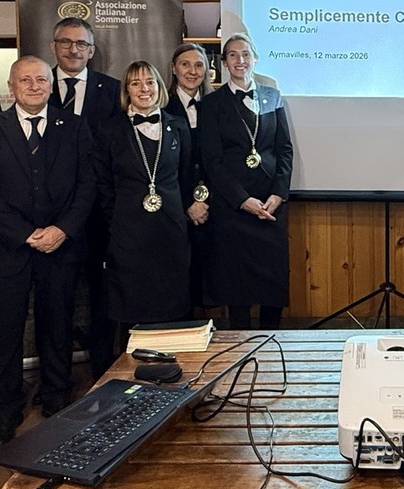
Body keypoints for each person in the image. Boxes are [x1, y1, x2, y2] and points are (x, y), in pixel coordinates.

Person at [0, 56, 95, 447]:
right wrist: (24, 234)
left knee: (57, 327)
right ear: (11, 87)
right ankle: (6, 409)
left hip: (60, 247)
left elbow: (87, 185)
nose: (34, 85)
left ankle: (56, 398)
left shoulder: (75, 127)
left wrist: (62, 230)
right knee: (5, 335)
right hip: (3, 248)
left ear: (51, 86)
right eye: (25, 80)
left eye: (41, 79)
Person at [93, 61, 192, 343]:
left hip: (170, 229)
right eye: (135, 83)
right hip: (128, 233)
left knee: (172, 300)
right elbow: (103, 182)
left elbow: (185, 176)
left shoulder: (177, 126)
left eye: (149, 82)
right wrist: (119, 219)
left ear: (159, 87)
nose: (144, 89)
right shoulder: (110, 129)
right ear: (127, 91)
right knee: (132, 300)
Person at [202, 33, 293, 329]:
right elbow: (212, 160)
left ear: (255, 59)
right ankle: (240, 342)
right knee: (236, 283)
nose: (240, 60)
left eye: (245, 54)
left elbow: (284, 150)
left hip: (271, 204)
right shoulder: (212, 104)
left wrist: (278, 194)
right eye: (232, 55)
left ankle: (271, 340)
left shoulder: (272, 96)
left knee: (272, 281)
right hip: (233, 206)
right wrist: (242, 200)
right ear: (224, 62)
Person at [48, 17, 120, 378]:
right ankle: (56, 381)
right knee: (55, 302)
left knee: (102, 296)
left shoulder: (114, 90)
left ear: (92, 51)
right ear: (53, 47)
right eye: (66, 42)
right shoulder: (39, 84)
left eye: (81, 44)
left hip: (100, 216)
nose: (73, 50)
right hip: (52, 217)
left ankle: (103, 372)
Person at [164, 43, 212, 314]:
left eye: (199, 65)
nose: (192, 71)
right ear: (174, 69)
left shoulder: (215, 106)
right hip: (174, 205)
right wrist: (187, 203)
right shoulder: (162, 106)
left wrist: (205, 201)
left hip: (211, 206)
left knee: (205, 276)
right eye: (185, 64)